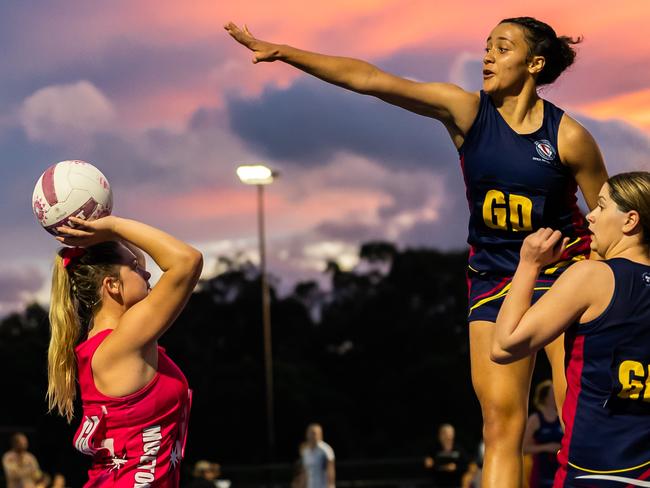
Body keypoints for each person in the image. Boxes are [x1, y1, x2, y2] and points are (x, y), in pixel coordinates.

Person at [225, 17, 608, 488]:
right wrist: (285, 51)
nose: (487, 55)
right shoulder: (466, 111)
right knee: (500, 427)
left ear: (534, 63)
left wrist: (615, 286)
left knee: (577, 414)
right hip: (494, 278)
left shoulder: (569, 138)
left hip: (563, 271)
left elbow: (609, 221)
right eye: (486, 45)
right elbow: (372, 79)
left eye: (502, 47)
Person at [491, 172, 650, 486]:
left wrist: (528, 264)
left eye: (602, 207)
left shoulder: (592, 276)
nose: (590, 216)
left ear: (630, 220)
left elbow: (504, 346)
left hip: (596, 472)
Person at [46, 215, 203, 486]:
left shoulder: (114, 343)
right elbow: (187, 261)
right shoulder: (122, 343)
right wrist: (113, 225)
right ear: (112, 285)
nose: (148, 271)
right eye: (135, 268)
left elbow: (155, 258)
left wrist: (106, 233)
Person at [523, 381, 562, 488]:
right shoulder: (535, 419)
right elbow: (524, 448)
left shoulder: (562, 417)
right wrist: (546, 447)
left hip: (560, 471)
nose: (557, 394)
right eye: (553, 393)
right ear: (545, 398)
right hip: (540, 474)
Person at [297, 423, 335, 488]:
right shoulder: (305, 451)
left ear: (320, 434)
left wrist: (330, 485)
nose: (312, 436)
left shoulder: (326, 450)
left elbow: (330, 470)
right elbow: (305, 471)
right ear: (307, 434)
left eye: (315, 433)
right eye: (310, 433)